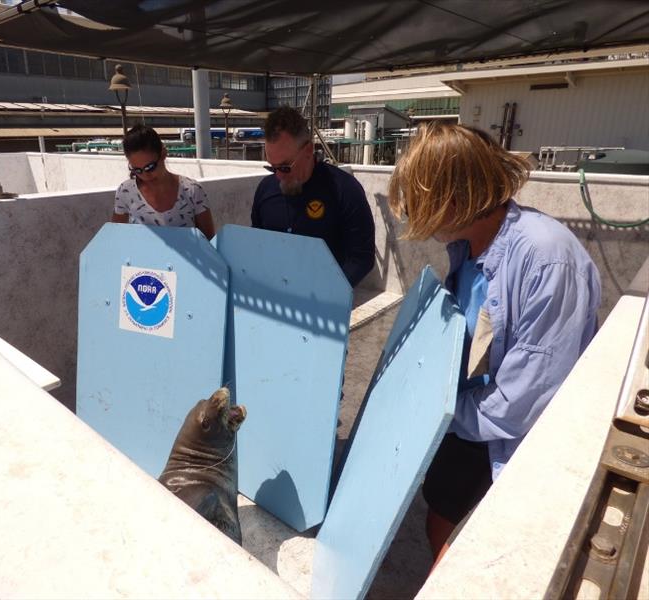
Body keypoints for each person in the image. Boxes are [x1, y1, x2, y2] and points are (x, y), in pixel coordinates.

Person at [388, 123, 601, 564]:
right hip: (470, 414)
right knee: (440, 516)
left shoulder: (547, 260)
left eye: (424, 204)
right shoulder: (469, 247)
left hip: (510, 437)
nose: (418, 219)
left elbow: (525, 403)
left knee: (487, 557)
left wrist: (433, 414)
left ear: (457, 197)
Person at [251, 107, 375, 288]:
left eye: (285, 167)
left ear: (308, 150)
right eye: (272, 168)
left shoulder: (345, 190)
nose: (278, 176)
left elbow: (362, 257)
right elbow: (257, 244)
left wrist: (329, 294)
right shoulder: (265, 190)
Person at [112, 125, 215, 240]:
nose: (145, 176)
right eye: (137, 170)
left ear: (163, 154)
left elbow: (209, 240)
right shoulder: (125, 192)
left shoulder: (192, 190)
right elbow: (117, 237)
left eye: (150, 167)